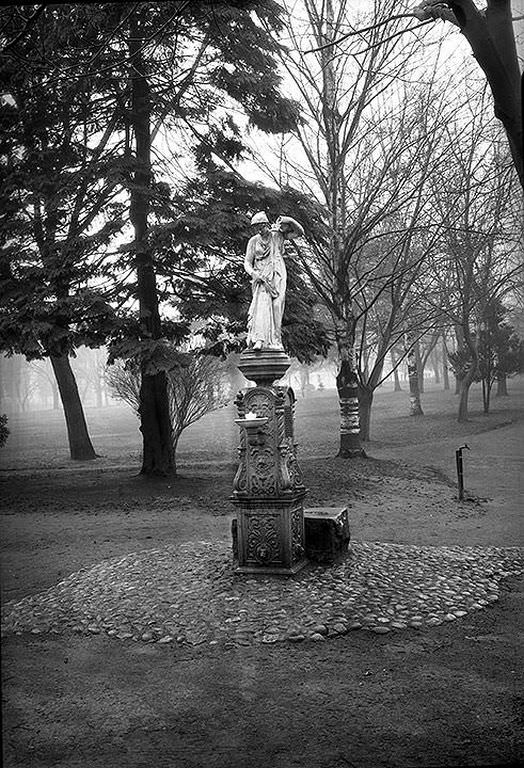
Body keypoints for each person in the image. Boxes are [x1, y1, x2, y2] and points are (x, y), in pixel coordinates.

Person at [244, 211, 304, 350]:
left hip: (277, 274)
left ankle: (276, 341)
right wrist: (253, 274)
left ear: (267, 224)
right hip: (261, 277)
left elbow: (299, 232)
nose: (259, 229)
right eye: (256, 227)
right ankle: (260, 339)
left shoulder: (277, 236)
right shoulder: (253, 241)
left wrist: (289, 219)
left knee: (277, 307)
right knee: (262, 306)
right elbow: (247, 262)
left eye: (261, 226)